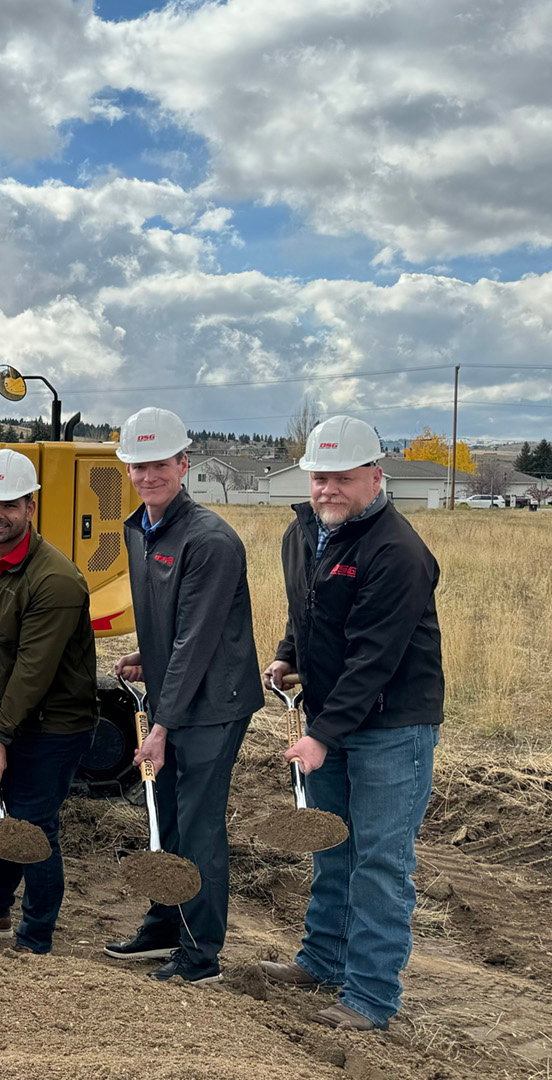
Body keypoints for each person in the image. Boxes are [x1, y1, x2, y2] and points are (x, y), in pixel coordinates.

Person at [259, 415, 443, 1031]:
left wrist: (319, 736)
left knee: (379, 862)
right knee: (331, 845)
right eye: (318, 476)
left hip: (393, 728)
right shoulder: (305, 532)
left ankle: (369, 997)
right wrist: (289, 653)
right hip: (332, 721)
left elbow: (373, 662)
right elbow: (308, 609)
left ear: (374, 476)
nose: (327, 488)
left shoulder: (398, 552)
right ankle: (322, 961)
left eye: (341, 477)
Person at [103, 408, 262, 983]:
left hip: (213, 703)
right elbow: (169, 621)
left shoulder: (210, 540)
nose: (149, 476)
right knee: (165, 817)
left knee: (197, 825)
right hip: (176, 690)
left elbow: (198, 638)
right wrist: (151, 656)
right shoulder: (138, 528)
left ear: (183, 464)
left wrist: (161, 725)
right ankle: (165, 924)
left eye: (160, 465)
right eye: (138, 466)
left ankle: (200, 953)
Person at [0, 449, 98, 954]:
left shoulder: (56, 581)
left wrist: (0, 735)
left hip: (55, 723)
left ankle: (36, 936)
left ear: (31, 506)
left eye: (8, 504)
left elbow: (33, 667)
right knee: (5, 820)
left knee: (30, 826)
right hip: (12, 714)